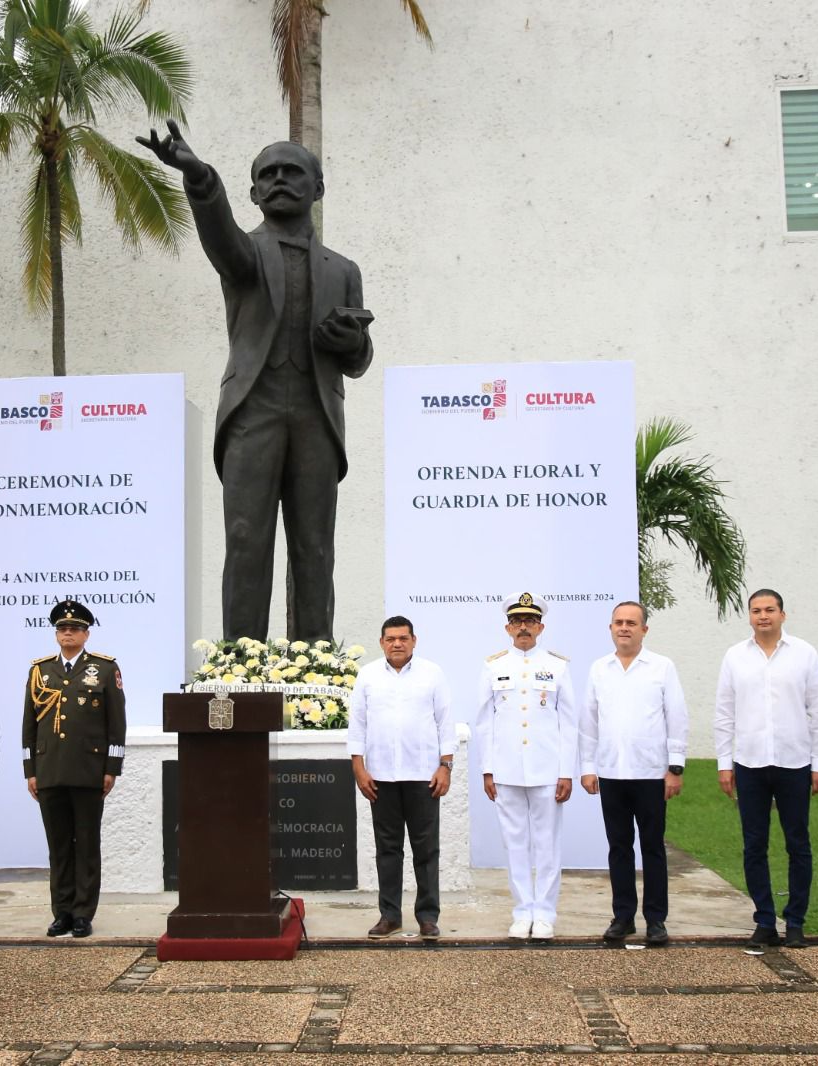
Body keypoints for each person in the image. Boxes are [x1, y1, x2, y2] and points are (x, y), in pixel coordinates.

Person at [137, 119, 372, 643]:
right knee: (246, 538)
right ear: (252, 192)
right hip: (253, 411)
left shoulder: (344, 269)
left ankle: (313, 661)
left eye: (292, 172)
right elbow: (221, 238)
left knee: (315, 547)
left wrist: (347, 341)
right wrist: (199, 179)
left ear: (318, 188)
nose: (279, 181)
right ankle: (241, 661)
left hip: (317, 415)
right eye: (267, 175)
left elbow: (359, 361)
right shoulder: (244, 255)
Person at [714, 588, 818, 948]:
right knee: (754, 845)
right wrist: (724, 764)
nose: (763, 616)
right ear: (749, 616)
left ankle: (795, 921)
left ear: (783, 614)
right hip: (749, 763)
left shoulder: (805, 654)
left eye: (769, 610)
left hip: (794, 762)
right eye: (756, 611)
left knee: (798, 844)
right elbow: (724, 713)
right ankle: (764, 919)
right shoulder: (735, 656)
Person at [581, 601, 689, 946]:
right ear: (611, 628)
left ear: (644, 629)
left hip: (651, 773)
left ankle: (656, 919)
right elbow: (588, 724)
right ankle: (623, 917)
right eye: (618, 623)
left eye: (631, 623)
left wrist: (675, 768)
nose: (624, 628)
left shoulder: (661, 667)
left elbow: (677, 718)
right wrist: (587, 767)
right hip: (612, 772)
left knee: (653, 848)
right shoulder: (600, 669)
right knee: (619, 848)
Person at [475, 592, 576, 942]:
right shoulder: (494, 666)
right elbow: (484, 722)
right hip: (506, 771)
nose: (523, 628)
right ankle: (522, 912)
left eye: (530, 621)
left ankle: (545, 914)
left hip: (547, 770)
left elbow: (569, 723)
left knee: (547, 844)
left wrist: (566, 772)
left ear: (541, 626)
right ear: (507, 627)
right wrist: (488, 770)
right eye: (517, 622)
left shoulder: (558, 666)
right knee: (515, 843)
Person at [347, 615, 455, 940]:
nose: (397, 643)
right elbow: (358, 725)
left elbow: (445, 722)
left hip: (424, 777)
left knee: (426, 850)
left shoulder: (432, 674)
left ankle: (427, 917)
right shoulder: (367, 676)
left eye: (403, 638)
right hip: (380, 777)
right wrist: (359, 768)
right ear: (381, 642)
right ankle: (389, 916)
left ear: (414, 641)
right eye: (391, 638)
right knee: (388, 850)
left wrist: (445, 765)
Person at [24, 599, 125, 938]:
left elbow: (116, 724)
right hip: (50, 769)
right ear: (56, 635)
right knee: (59, 846)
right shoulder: (40, 671)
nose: (68, 633)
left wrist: (112, 767)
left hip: (88, 769)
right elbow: (29, 725)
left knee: (86, 843)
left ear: (86, 633)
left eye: (75, 629)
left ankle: (83, 913)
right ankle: (62, 912)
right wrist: (30, 770)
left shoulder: (105, 669)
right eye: (63, 629)